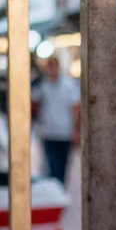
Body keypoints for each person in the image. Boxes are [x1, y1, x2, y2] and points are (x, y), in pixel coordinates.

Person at [32, 56, 79, 185]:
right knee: (53, 166)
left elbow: (75, 108)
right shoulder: (43, 85)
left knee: (63, 165)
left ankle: (60, 190)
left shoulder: (68, 85)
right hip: (48, 132)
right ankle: (56, 190)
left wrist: (76, 130)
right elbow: (35, 102)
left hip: (64, 132)